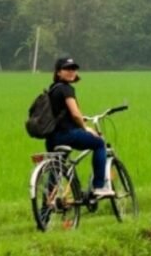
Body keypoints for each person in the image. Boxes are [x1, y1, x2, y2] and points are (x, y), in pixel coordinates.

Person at [44, 57, 114, 197]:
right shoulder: (66, 89)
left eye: (73, 69)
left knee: (57, 169)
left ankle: (44, 212)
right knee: (99, 144)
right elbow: (75, 114)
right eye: (67, 69)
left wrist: (80, 119)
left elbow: (63, 113)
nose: (71, 72)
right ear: (58, 72)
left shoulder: (52, 90)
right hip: (67, 135)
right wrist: (85, 127)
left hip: (52, 138)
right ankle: (99, 187)